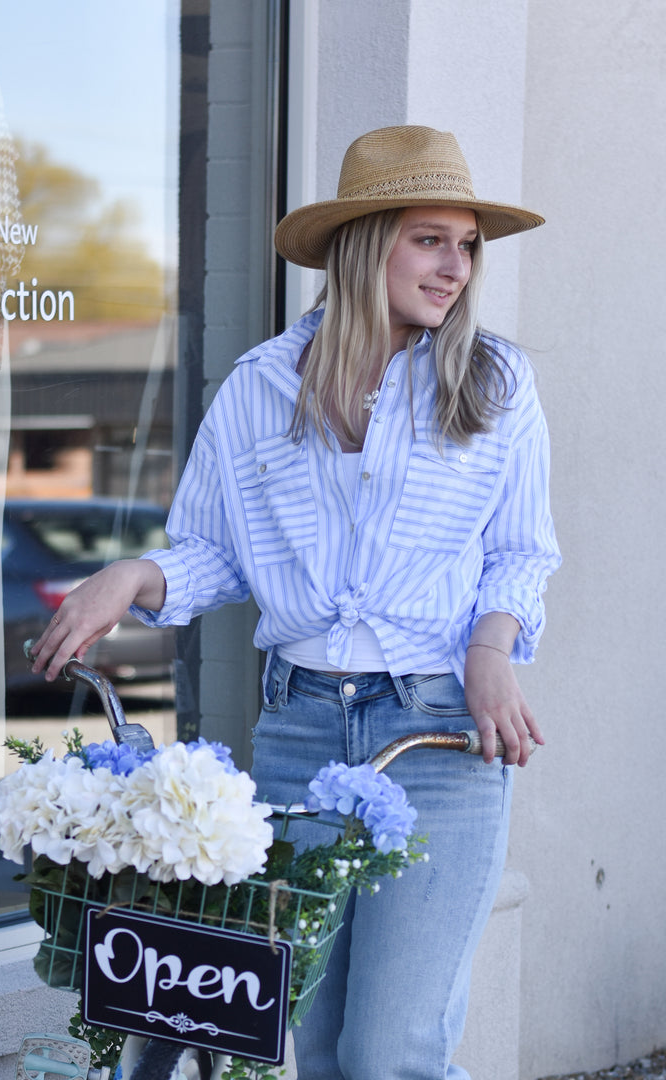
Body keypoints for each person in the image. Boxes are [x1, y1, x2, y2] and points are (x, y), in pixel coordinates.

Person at [31, 125, 561, 1080]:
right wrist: (132, 578)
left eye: (467, 244)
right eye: (429, 239)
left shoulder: (496, 385)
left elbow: (522, 555)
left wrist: (491, 651)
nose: (455, 268)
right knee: (307, 1043)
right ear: (366, 243)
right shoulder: (261, 387)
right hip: (300, 731)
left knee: (390, 1049)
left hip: (440, 735)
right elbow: (213, 555)